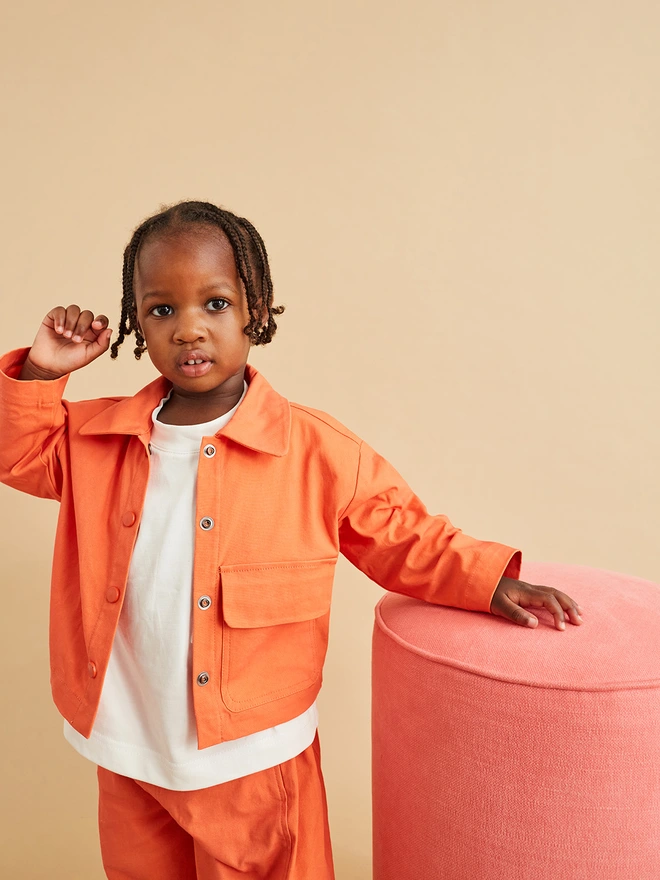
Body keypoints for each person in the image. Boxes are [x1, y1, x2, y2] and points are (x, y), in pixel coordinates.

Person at [0, 199, 583, 879]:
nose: (189, 329)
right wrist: (43, 372)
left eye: (215, 304)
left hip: (251, 756)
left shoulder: (314, 450)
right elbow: (18, 453)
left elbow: (401, 534)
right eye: (161, 310)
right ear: (135, 323)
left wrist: (488, 579)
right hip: (129, 749)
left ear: (257, 308)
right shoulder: (94, 438)